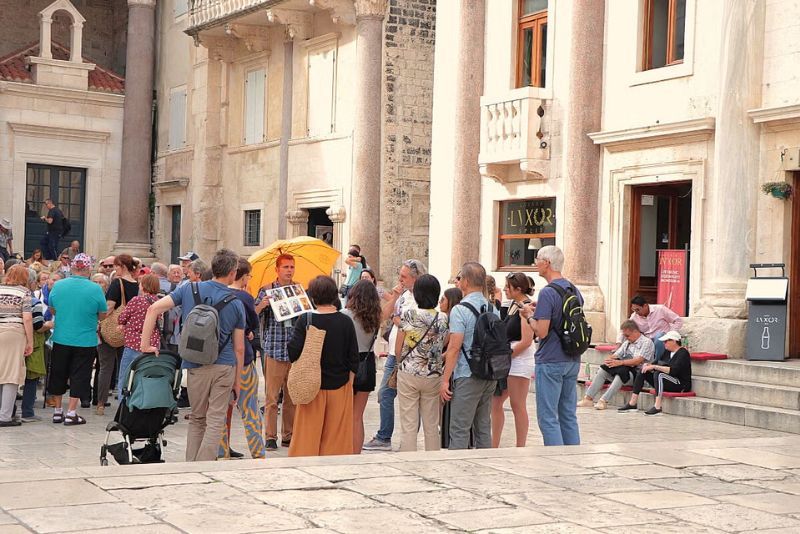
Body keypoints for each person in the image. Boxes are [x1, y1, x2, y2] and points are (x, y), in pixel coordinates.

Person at [140, 249, 246, 462]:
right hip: (223, 365)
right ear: (233, 273)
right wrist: (238, 380)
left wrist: (145, 345)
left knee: (197, 418)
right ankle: (205, 465)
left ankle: (190, 465)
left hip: (195, 363)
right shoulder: (236, 303)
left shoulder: (189, 289)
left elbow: (153, 309)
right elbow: (239, 348)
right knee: (215, 420)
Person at [286, 276, 359, 457]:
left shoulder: (306, 319)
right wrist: (349, 383)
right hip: (339, 385)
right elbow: (353, 357)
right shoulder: (345, 321)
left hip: (311, 387)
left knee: (307, 435)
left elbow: (293, 353)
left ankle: (306, 466)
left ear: (312, 296)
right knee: (337, 437)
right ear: (334, 295)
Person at [520, 245, 582, 446]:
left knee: (548, 418)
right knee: (568, 415)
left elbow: (541, 331)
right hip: (572, 357)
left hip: (551, 359)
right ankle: (573, 457)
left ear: (546, 263)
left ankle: (556, 458)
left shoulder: (547, 292)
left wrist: (529, 316)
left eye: (537, 259)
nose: (535, 263)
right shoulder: (573, 289)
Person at [364, 258, 426, 451]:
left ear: (416, 278)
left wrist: (398, 320)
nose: (400, 280)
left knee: (411, 400)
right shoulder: (404, 295)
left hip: (411, 354)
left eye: (404, 277)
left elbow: (418, 325)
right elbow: (383, 316)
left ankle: (407, 440)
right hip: (394, 352)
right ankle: (384, 436)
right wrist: (394, 298)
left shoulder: (423, 298)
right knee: (385, 393)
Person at [439, 262, 497, 449]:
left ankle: (458, 464)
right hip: (489, 373)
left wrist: (445, 380)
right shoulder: (492, 308)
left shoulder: (460, 310)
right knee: (483, 427)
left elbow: (454, 347)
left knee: (459, 428)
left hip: (467, 373)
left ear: (465, 281)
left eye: (460, 278)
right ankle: (485, 461)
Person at [47, 254, 108, 425]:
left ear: (72, 268)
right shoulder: (95, 289)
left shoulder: (58, 285)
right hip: (85, 339)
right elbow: (102, 314)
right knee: (79, 374)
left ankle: (58, 410)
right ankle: (72, 412)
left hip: (62, 336)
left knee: (58, 372)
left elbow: (52, 309)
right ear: (88, 269)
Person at [218, 258, 265, 460]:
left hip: (220, 360)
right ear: (244, 276)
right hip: (243, 360)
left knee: (220, 410)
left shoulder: (217, 293)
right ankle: (258, 452)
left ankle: (222, 452)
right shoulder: (244, 297)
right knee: (250, 408)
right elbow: (252, 323)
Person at [395, 274, 448, 452]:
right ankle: (432, 458)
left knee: (409, 423)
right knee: (431, 423)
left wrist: (400, 363)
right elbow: (443, 342)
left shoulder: (409, 315)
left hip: (409, 372)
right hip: (433, 374)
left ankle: (409, 458)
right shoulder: (443, 318)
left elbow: (398, 347)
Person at [258, 253, 298, 451]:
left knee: (292, 398)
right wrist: (262, 304)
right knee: (272, 398)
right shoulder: (267, 290)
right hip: (274, 349)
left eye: (292, 267)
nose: (289, 271)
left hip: (293, 351)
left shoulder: (298, 289)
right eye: (285, 267)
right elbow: (254, 314)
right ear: (277, 269)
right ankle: (270, 436)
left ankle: (288, 435)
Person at [491, 273, 535, 448]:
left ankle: (520, 446)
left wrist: (506, 356)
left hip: (519, 360)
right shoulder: (513, 306)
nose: (504, 289)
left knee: (517, 404)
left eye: (508, 287)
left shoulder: (525, 308)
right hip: (510, 357)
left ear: (518, 289)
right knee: (496, 402)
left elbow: (526, 340)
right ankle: (494, 444)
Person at [341, 279, 382, 454]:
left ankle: (345, 450)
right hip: (367, 364)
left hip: (348, 364)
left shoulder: (345, 315)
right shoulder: (375, 318)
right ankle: (356, 453)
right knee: (357, 416)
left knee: (345, 415)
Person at [579, 320, 655, 411]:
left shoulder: (647, 342)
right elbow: (616, 354)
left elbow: (638, 361)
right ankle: (588, 398)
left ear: (635, 331)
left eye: (627, 335)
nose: (626, 338)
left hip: (639, 376)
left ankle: (604, 400)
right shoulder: (627, 343)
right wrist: (610, 360)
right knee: (603, 370)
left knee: (621, 374)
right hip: (626, 370)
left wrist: (621, 362)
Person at [116, 273, 162, 411]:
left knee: (125, 378)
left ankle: (124, 408)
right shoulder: (159, 302)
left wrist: (124, 325)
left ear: (143, 286)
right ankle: (143, 406)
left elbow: (122, 317)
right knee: (145, 379)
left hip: (133, 344)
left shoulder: (137, 300)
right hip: (152, 346)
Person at [619, 331, 692, 416]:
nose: (664, 343)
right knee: (643, 370)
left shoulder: (683, 353)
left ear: (674, 341)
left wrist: (654, 367)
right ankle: (632, 403)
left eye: (666, 341)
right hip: (668, 380)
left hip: (681, 384)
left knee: (659, 374)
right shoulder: (667, 352)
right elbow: (658, 362)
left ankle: (657, 406)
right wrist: (649, 365)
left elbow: (673, 371)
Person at [0, 265, 34, 426]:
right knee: (11, 374)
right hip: (13, 332)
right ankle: (5, 416)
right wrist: (30, 341)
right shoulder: (24, 292)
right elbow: (27, 318)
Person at [105, 254, 139, 401]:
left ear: (123, 266)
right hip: (131, 329)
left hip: (116, 327)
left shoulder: (117, 283)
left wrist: (100, 320)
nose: (114, 269)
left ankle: (107, 400)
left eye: (116, 266)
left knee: (108, 366)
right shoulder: (137, 284)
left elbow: (109, 306)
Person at [21, 272, 51, 423]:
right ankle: (27, 412)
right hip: (33, 344)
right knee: (31, 377)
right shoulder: (33, 301)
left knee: (10, 378)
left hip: (14, 341)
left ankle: (7, 410)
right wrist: (50, 325)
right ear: (32, 283)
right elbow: (38, 326)